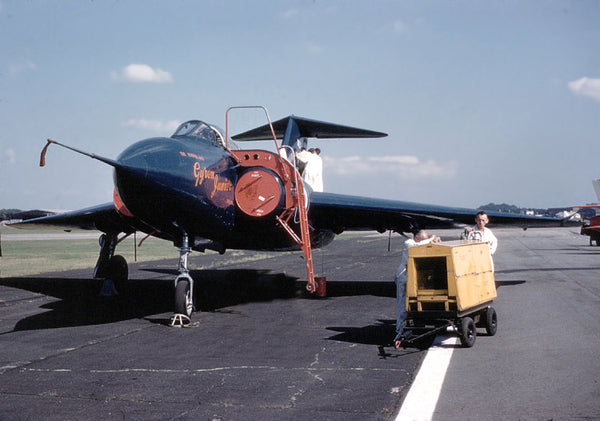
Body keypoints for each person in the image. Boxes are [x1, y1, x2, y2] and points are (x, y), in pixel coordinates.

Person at [394, 229, 441, 349]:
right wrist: (431, 239)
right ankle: (399, 329)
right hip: (404, 275)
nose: (425, 241)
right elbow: (417, 246)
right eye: (423, 239)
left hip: (414, 275)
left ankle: (411, 324)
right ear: (416, 237)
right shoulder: (409, 243)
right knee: (402, 303)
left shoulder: (419, 243)